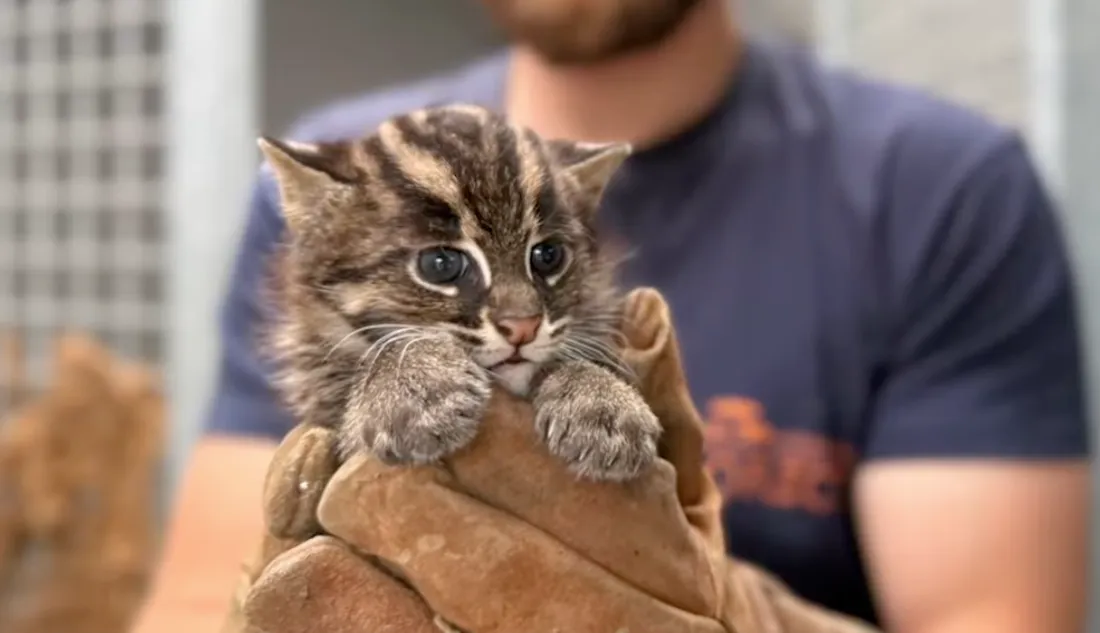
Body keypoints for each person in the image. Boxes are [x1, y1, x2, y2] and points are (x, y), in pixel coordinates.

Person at [131, 0, 1092, 631]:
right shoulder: (338, 185)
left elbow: (987, 612)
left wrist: (741, 613)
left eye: (548, 260)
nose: (512, 313)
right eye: (441, 266)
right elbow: (197, 601)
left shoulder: (942, 187)